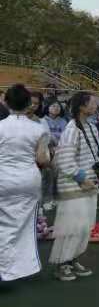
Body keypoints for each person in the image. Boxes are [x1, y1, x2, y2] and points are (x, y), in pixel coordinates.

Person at [0, 84, 51, 282]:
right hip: (28, 181)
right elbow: (42, 159)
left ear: (6, 102)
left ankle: (4, 270)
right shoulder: (38, 128)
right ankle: (16, 269)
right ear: (29, 103)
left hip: (3, 179)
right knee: (22, 227)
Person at [49, 92, 99, 281]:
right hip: (73, 186)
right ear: (81, 106)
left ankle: (72, 259)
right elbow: (65, 160)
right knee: (70, 226)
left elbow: (92, 156)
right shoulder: (72, 129)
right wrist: (81, 178)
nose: (95, 106)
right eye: (92, 103)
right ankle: (62, 263)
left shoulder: (91, 127)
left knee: (84, 226)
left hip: (88, 184)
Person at [42, 99, 68, 210]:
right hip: (46, 151)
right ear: (47, 108)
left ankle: (56, 198)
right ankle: (46, 200)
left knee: (58, 177)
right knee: (47, 176)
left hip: (60, 151)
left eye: (58, 106)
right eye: (53, 106)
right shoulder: (43, 121)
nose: (56, 108)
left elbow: (66, 136)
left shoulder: (63, 121)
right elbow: (43, 136)